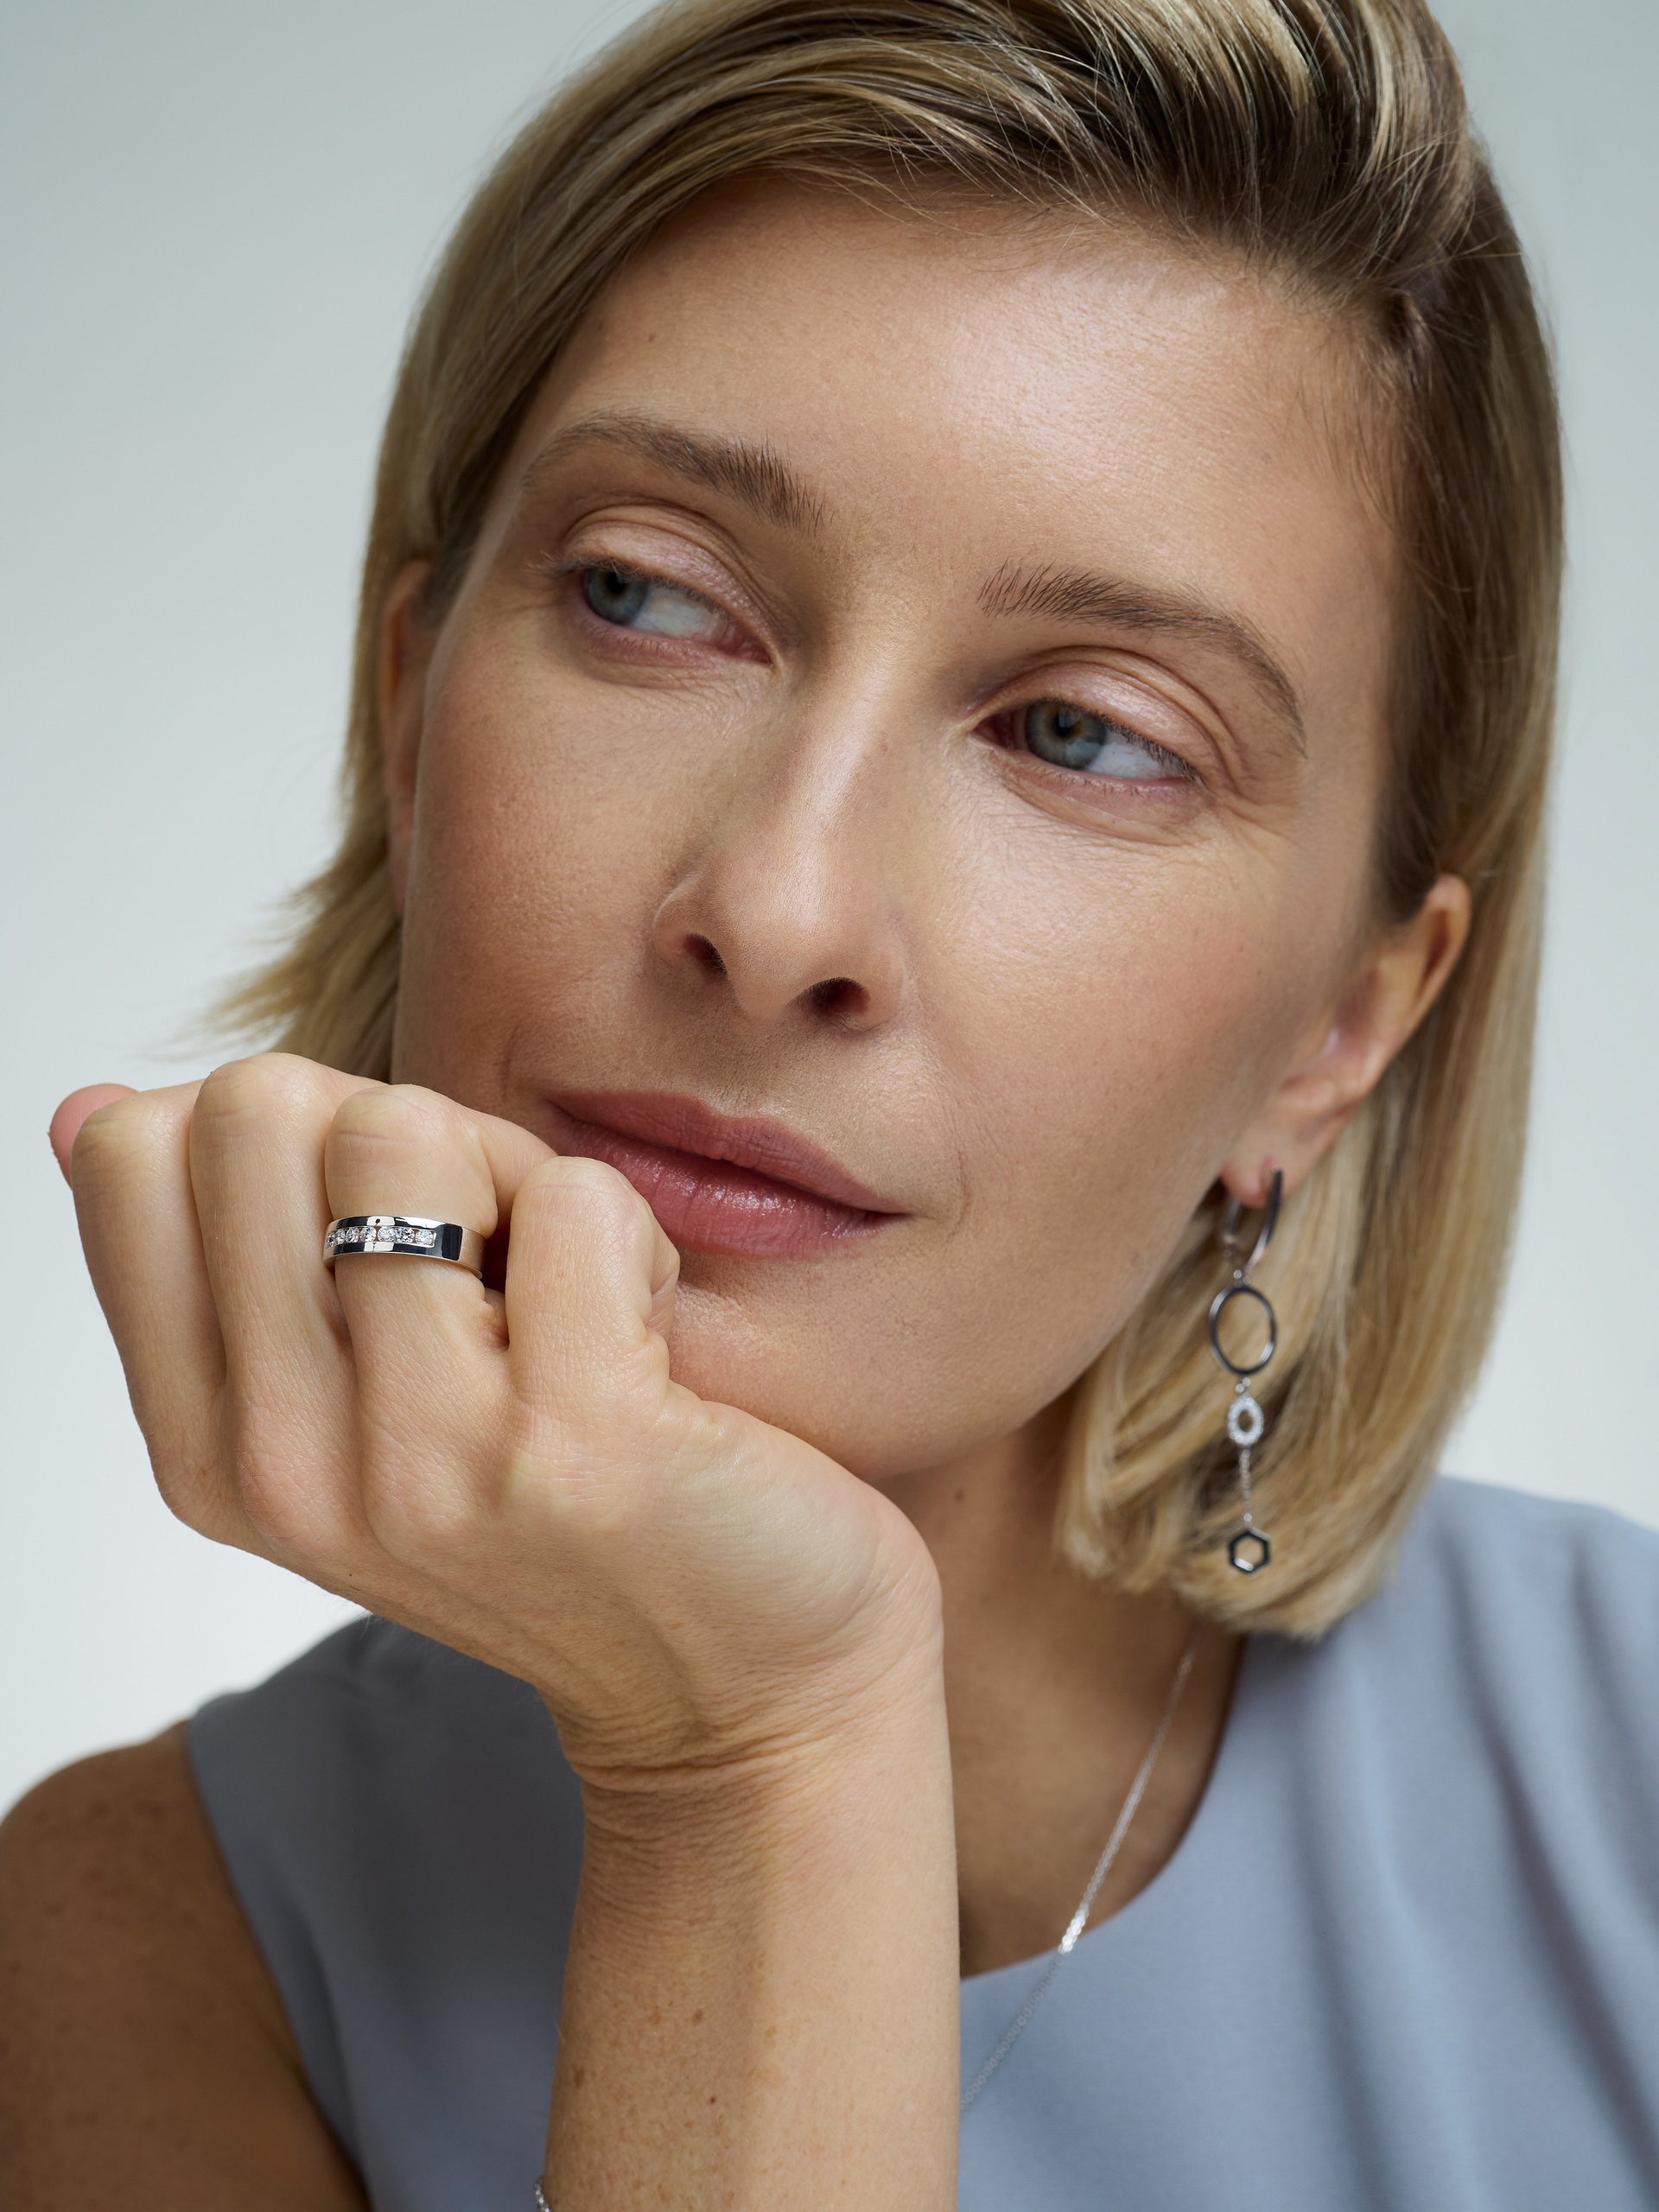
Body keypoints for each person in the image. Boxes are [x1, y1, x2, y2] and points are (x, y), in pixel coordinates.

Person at [5, 0, 1657, 2203]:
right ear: (408, 715)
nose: (777, 910)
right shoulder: (146, 1935)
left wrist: (758, 1738)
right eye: (651, 599)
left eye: (1084, 733)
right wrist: (750, 1754)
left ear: (1342, 1024)